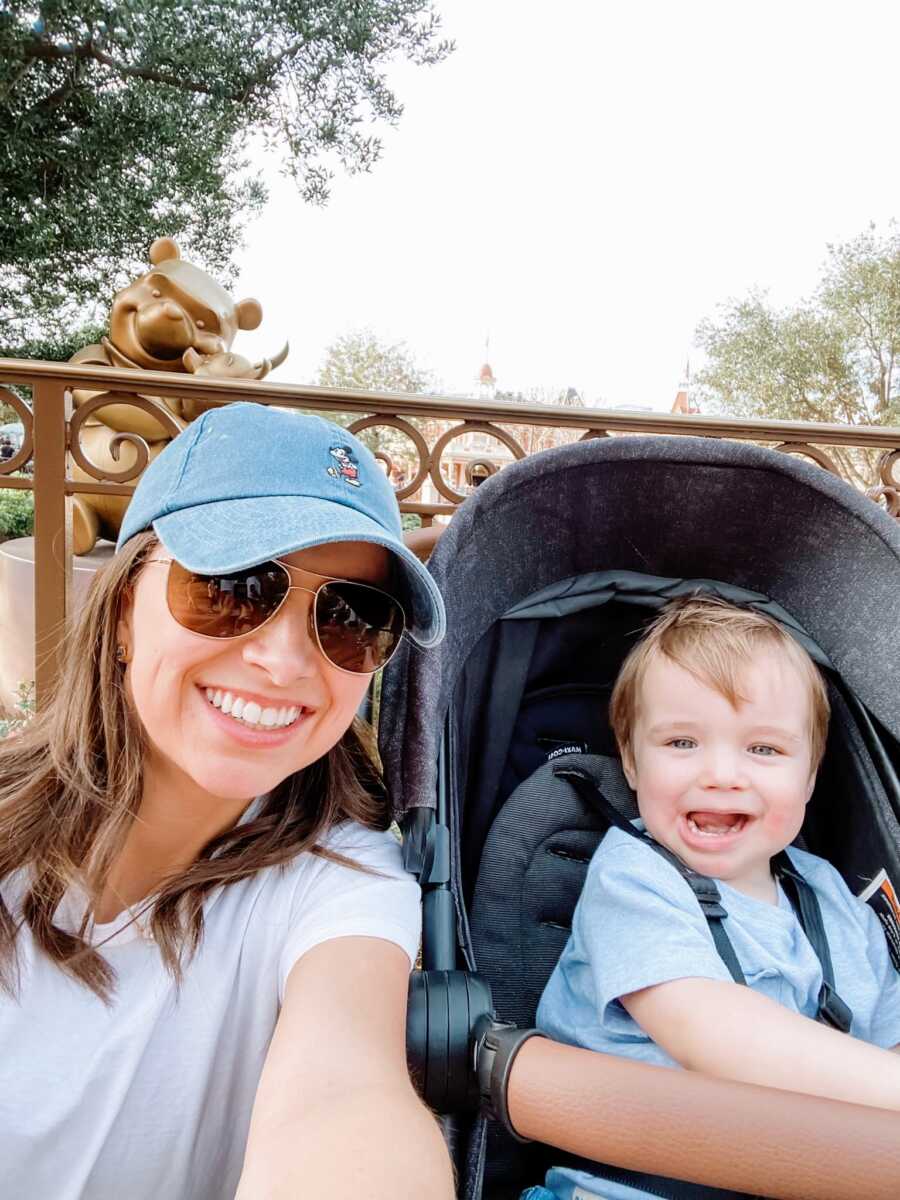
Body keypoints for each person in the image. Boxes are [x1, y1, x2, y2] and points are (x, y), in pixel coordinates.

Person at [0, 402, 455, 1200]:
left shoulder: (344, 884)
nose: (283, 661)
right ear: (119, 612)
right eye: (234, 588)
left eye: (350, 618)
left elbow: (347, 1095)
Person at [527, 596, 900, 1200]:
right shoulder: (635, 878)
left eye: (764, 749)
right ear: (630, 759)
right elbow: (713, 1033)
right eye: (681, 743)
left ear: (810, 775)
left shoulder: (834, 895)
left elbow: (887, 1033)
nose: (722, 773)